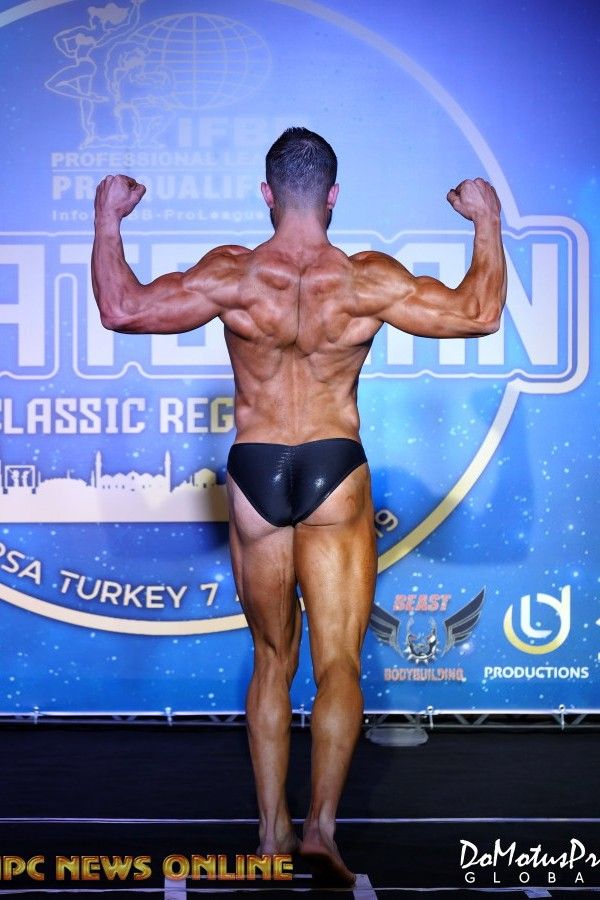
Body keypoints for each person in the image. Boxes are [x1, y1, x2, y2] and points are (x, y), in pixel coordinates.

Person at [92, 127, 506, 886]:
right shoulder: (365, 279)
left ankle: (270, 833)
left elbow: (121, 309)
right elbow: (478, 313)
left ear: (267, 193)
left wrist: (108, 219)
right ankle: (320, 829)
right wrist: (486, 219)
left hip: (256, 470)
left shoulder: (234, 273)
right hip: (332, 465)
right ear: (334, 196)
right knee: (338, 661)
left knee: (271, 659)